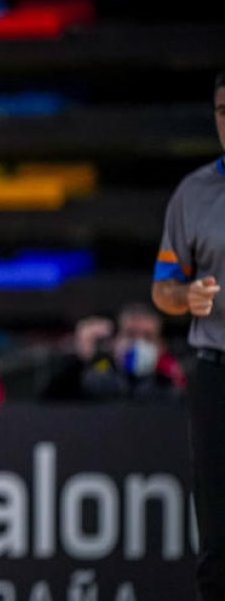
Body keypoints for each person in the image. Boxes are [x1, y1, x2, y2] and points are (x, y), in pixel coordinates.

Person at [152, 71, 225, 601]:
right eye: (223, 110)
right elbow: (163, 288)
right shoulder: (195, 194)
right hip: (216, 371)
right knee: (218, 535)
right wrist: (187, 298)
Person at [40, 303, 185, 402]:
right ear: (115, 341)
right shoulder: (97, 376)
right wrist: (81, 359)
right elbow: (49, 401)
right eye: (131, 334)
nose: (138, 344)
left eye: (147, 337)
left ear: (160, 346)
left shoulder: (168, 388)